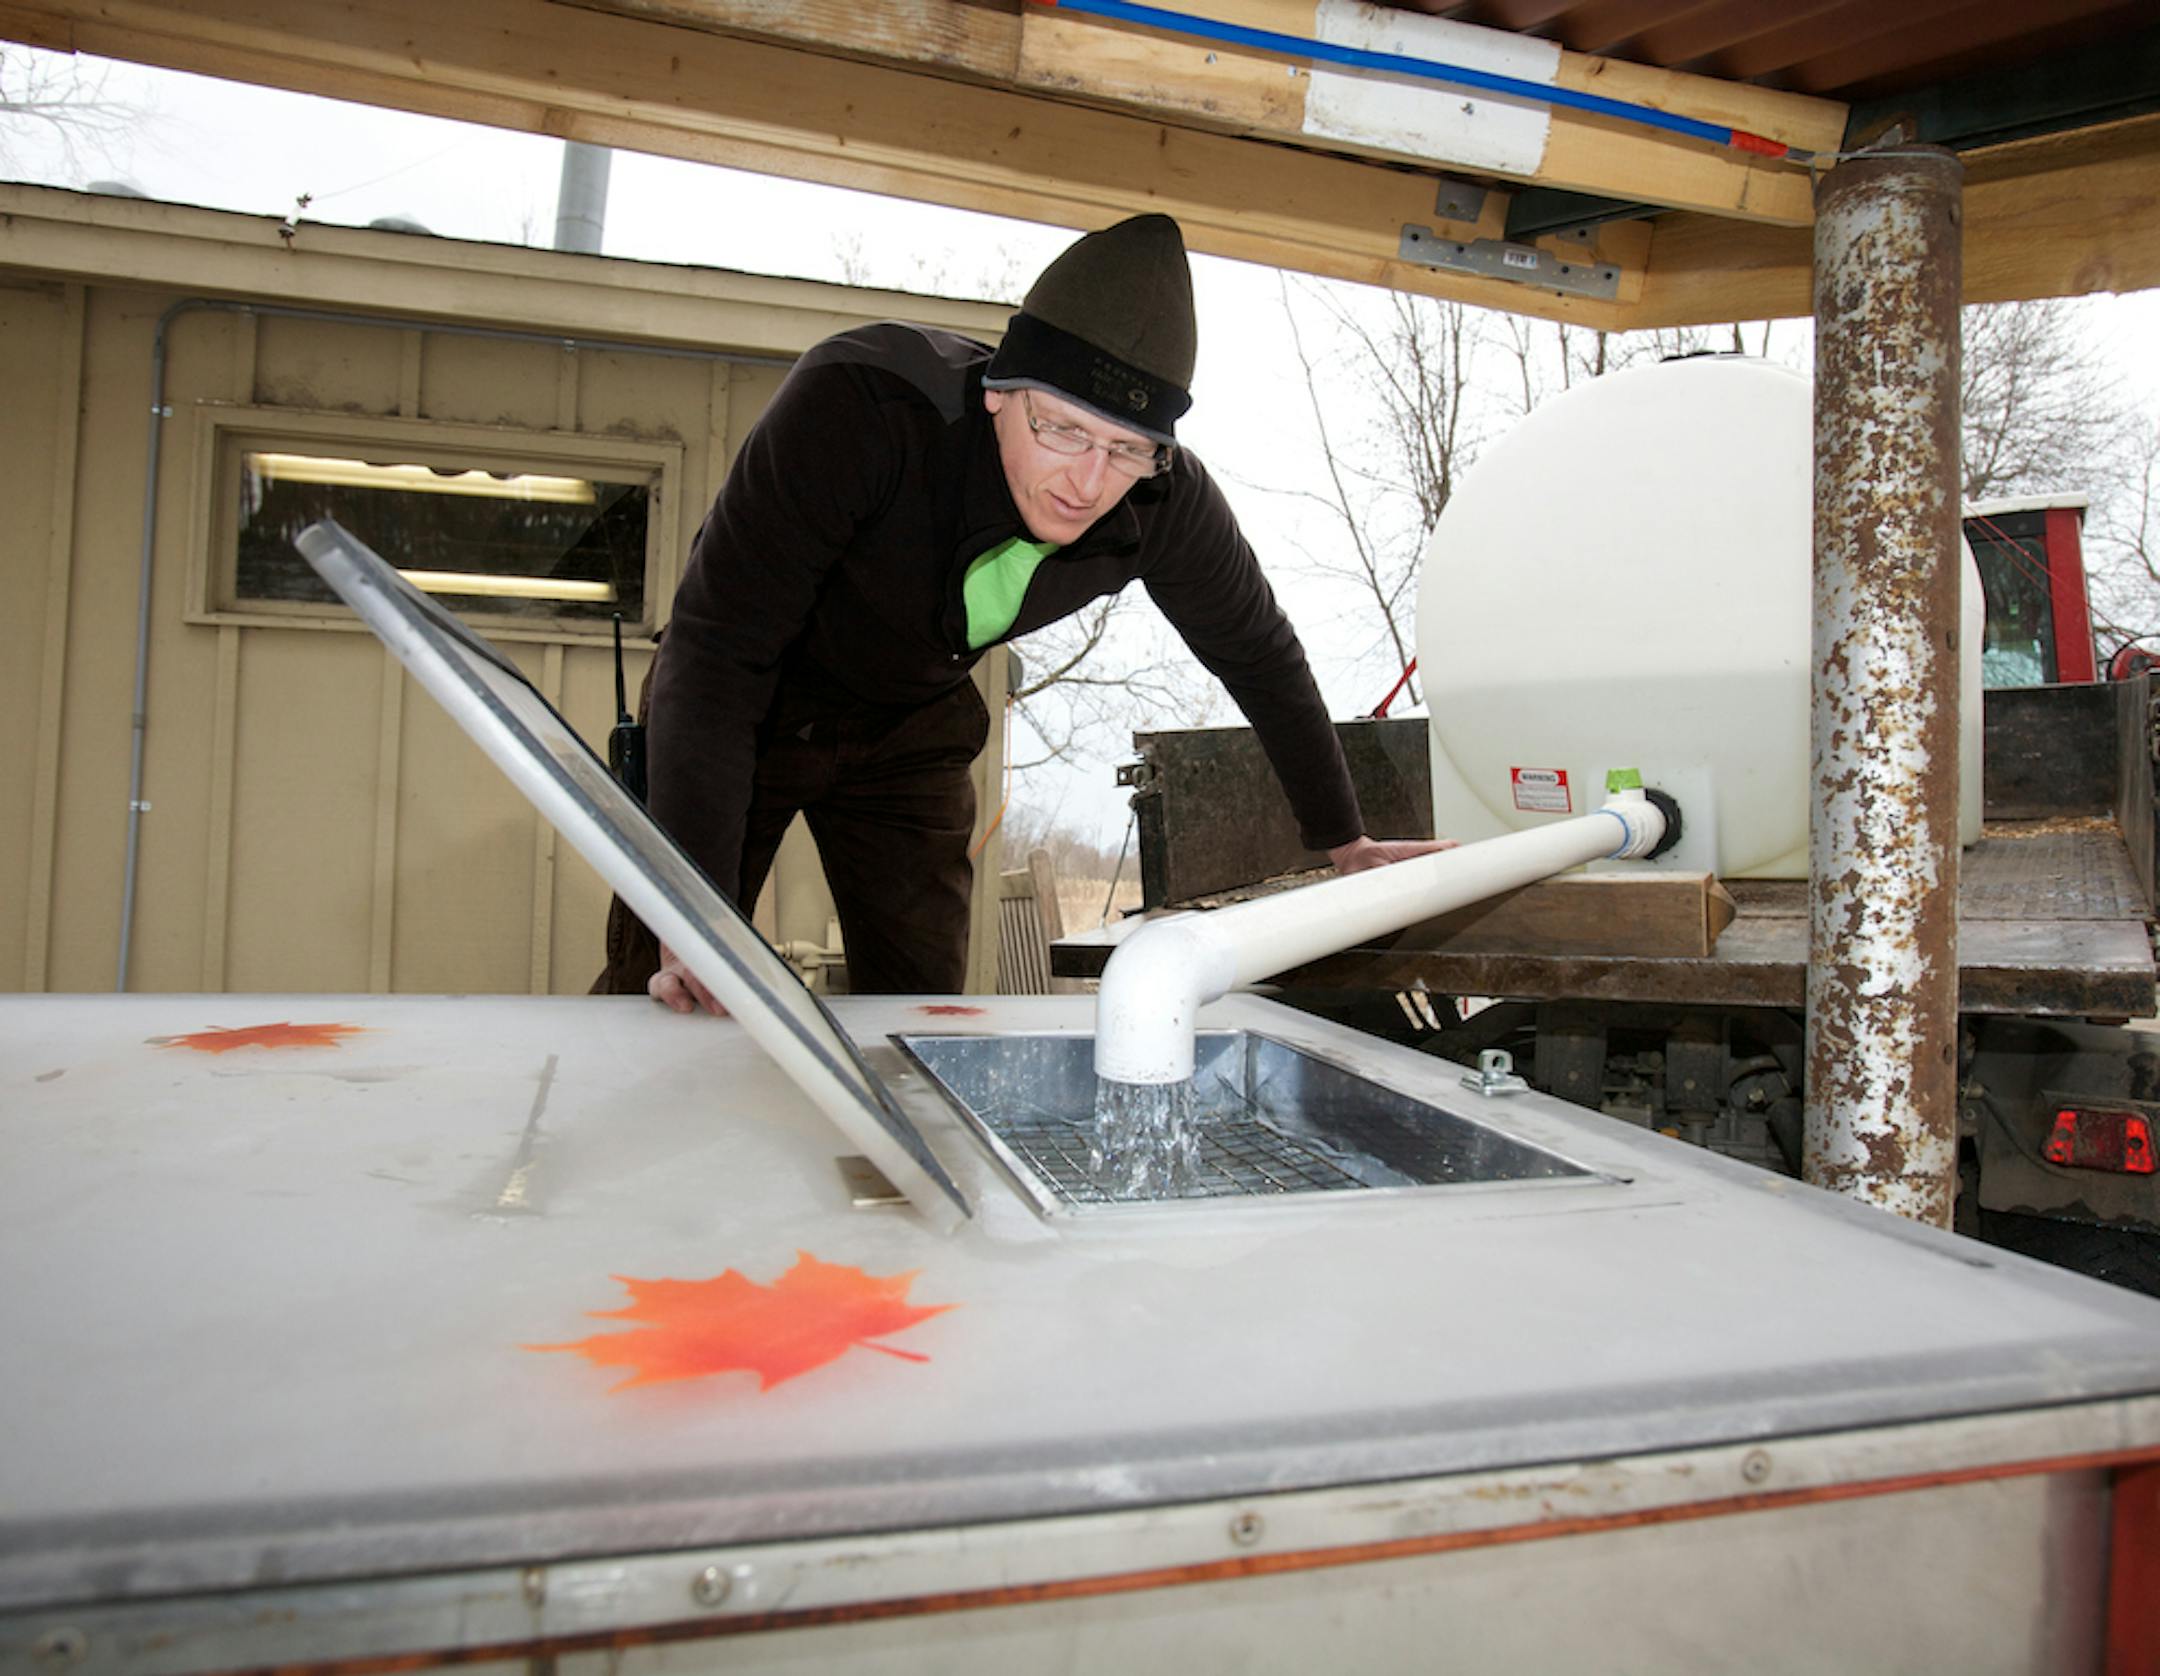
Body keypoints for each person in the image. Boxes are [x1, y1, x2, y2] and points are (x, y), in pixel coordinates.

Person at [599, 213, 1448, 1013]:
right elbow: (718, 653)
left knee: (921, 1010)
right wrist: (693, 921)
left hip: (911, 727)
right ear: (1000, 392)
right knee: (669, 982)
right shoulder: (861, 405)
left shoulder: (1164, 500)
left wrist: (1344, 839)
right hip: (749, 701)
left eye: (1125, 448)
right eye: (1064, 430)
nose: (1088, 482)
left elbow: (1258, 653)